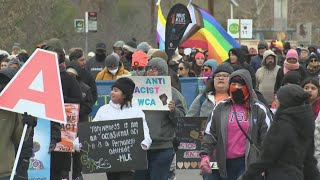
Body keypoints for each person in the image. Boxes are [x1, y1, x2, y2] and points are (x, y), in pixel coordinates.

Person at [200, 69, 272, 180]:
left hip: (247, 164)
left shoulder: (259, 109)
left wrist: (264, 164)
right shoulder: (220, 108)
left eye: (240, 84)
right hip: (223, 164)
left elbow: (267, 139)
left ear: (248, 86)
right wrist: (205, 155)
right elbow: (210, 134)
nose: (237, 87)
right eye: (233, 83)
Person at [238, 84, 320, 180]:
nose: (275, 101)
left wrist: (246, 176)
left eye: (277, 98)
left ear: (285, 102)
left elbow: (266, 158)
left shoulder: (282, 124)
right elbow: (309, 161)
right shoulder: (305, 123)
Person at [134, 57, 186, 180]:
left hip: (162, 147)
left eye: (155, 69)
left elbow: (182, 119)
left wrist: (173, 111)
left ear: (163, 71)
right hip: (139, 147)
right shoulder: (137, 91)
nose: (151, 72)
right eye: (148, 69)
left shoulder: (173, 93)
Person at [93, 77, 152, 180]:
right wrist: (79, 143)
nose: (112, 92)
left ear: (124, 95)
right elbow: (92, 131)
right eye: (112, 90)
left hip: (129, 160)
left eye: (116, 90)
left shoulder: (136, 111)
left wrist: (144, 143)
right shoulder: (103, 110)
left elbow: (144, 131)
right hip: (109, 160)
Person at [44, 47, 82, 180]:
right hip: (43, 130)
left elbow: (78, 100)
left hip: (63, 131)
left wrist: (61, 99)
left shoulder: (69, 79)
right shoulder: (43, 77)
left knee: (60, 171)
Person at [0, 68, 37, 180]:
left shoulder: (13, 110)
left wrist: (27, 124)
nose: (2, 86)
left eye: (5, 83)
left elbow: (18, 138)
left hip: (4, 171)